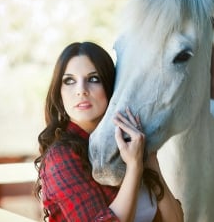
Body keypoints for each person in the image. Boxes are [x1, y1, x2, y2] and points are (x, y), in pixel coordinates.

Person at [34, 41, 183, 222]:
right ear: (59, 94)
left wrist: (149, 159)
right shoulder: (61, 157)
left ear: (110, 87)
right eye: (69, 81)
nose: (81, 90)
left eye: (93, 79)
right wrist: (134, 168)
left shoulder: (131, 144)